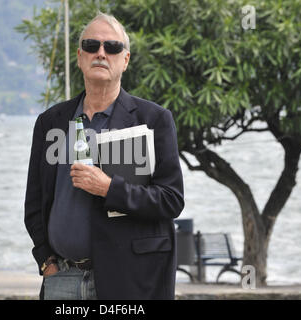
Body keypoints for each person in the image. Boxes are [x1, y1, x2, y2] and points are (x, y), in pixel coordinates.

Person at [24, 12, 184, 300]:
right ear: (79, 56)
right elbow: (35, 203)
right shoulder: (52, 122)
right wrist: (46, 261)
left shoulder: (153, 120)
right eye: (91, 46)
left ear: (125, 60)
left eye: (111, 47)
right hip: (62, 279)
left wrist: (109, 188)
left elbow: (171, 200)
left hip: (128, 279)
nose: (100, 53)